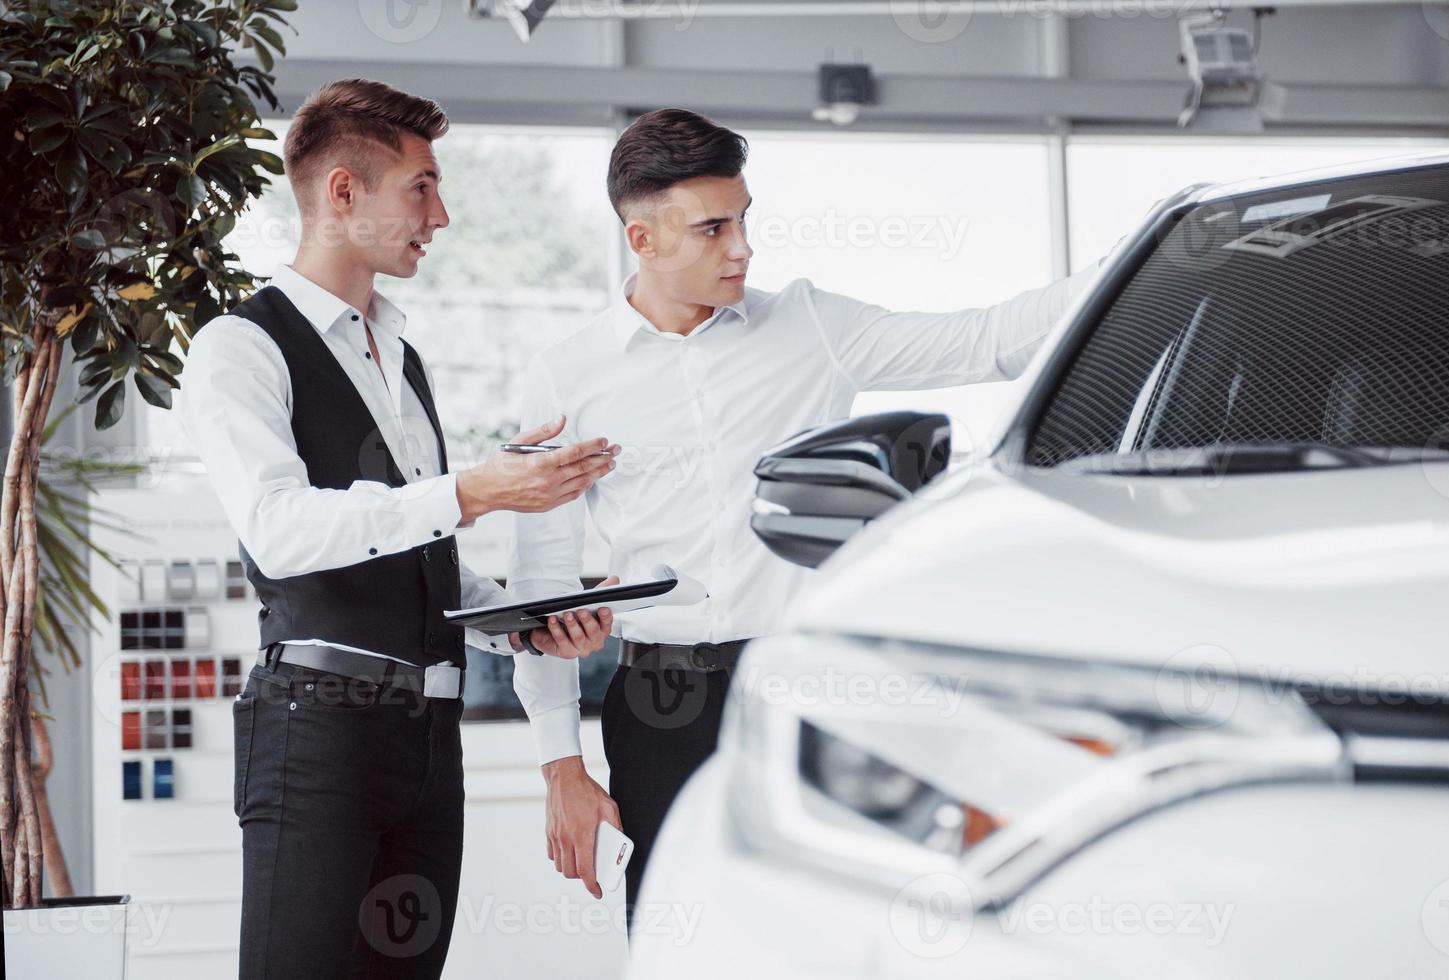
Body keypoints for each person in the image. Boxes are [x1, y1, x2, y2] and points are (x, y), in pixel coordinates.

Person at [507, 108, 1103, 926]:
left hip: (804, 687)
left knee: (819, 934)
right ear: (640, 241)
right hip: (657, 705)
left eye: (744, 219)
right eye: (713, 229)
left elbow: (989, 341)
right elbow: (539, 584)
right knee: (679, 942)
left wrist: (1138, 262)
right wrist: (559, 768)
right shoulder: (565, 376)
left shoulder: (813, 325)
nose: (743, 247)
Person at [180, 78, 617, 978]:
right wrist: (476, 491)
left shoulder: (400, 355)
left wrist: (524, 619)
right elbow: (280, 530)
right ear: (343, 192)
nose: (442, 213)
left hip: (426, 734)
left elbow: (417, 556)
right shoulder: (241, 346)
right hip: (317, 730)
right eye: (421, 185)